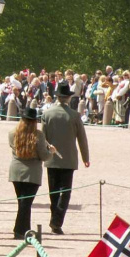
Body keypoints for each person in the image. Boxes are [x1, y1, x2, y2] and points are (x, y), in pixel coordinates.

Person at [41, 81, 90, 235]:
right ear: (68, 98)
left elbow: (43, 138)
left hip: (52, 158)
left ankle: (54, 217)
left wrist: (43, 154)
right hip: (69, 159)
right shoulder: (75, 116)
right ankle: (57, 220)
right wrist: (85, 157)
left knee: (53, 192)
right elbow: (82, 138)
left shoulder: (47, 114)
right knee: (65, 192)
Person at [8, 107, 56, 239]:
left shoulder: (12, 133)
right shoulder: (38, 135)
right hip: (32, 171)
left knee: (23, 202)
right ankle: (19, 230)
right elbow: (43, 156)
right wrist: (51, 151)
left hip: (17, 169)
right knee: (26, 203)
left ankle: (24, 229)